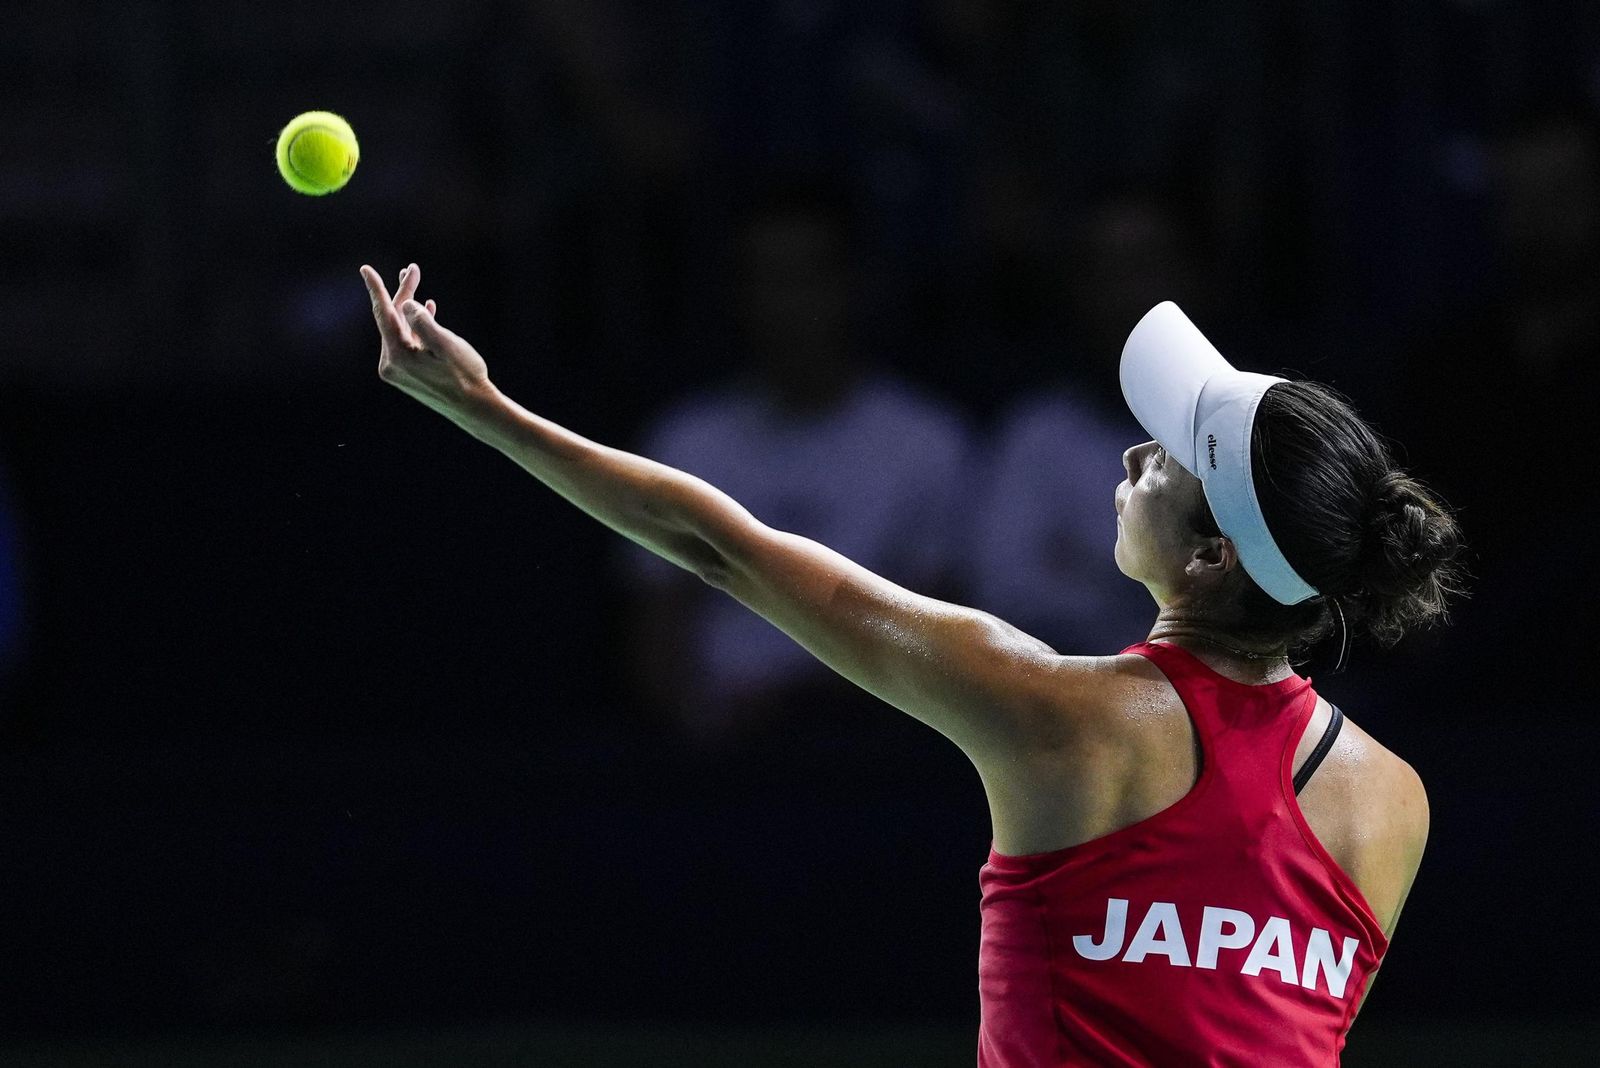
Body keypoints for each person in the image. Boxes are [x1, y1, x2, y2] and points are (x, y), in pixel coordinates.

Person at [359, 264, 1462, 1064]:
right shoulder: (1390, 803)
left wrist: (484, 409)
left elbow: (719, 548)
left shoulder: (1058, 718)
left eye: (1165, 455)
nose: (1131, 452)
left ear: (1211, 554)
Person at [614, 191, 974, 752]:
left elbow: (935, 636)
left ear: (852, 285)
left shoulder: (927, 441)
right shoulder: (686, 440)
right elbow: (656, 626)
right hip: (713, 749)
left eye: (808, 275)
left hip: (876, 746)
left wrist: (797, 703)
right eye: (768, 277)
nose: (787, 301)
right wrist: (691, 720)